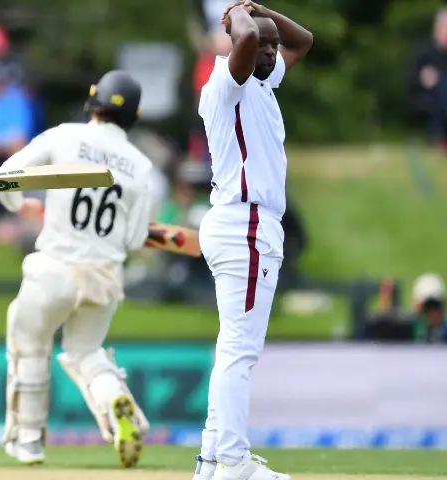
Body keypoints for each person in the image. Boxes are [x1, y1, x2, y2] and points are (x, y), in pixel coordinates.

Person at [0, 71, 154, 468]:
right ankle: (115, 400)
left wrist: (21, 206)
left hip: (55, 269)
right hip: (104, 276)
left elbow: (4, 178)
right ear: (133, 115)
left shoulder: (64, 135)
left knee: (29, 342)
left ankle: (28, 439)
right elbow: (135, 242)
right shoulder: (141, 166)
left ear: (93, 103)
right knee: (85, 352)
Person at [192, 2, 313, 479]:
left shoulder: (262, 82)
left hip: (249, 224)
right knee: (240, 351)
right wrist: (237, 19)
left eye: (272, 46)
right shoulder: (228, 80)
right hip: (244, 223)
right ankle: (234, 463)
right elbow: (243, 42)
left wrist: (262, 12)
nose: (269, 51)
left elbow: (303, 41)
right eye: (261, 44)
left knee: (232, 349)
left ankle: (210, 462)